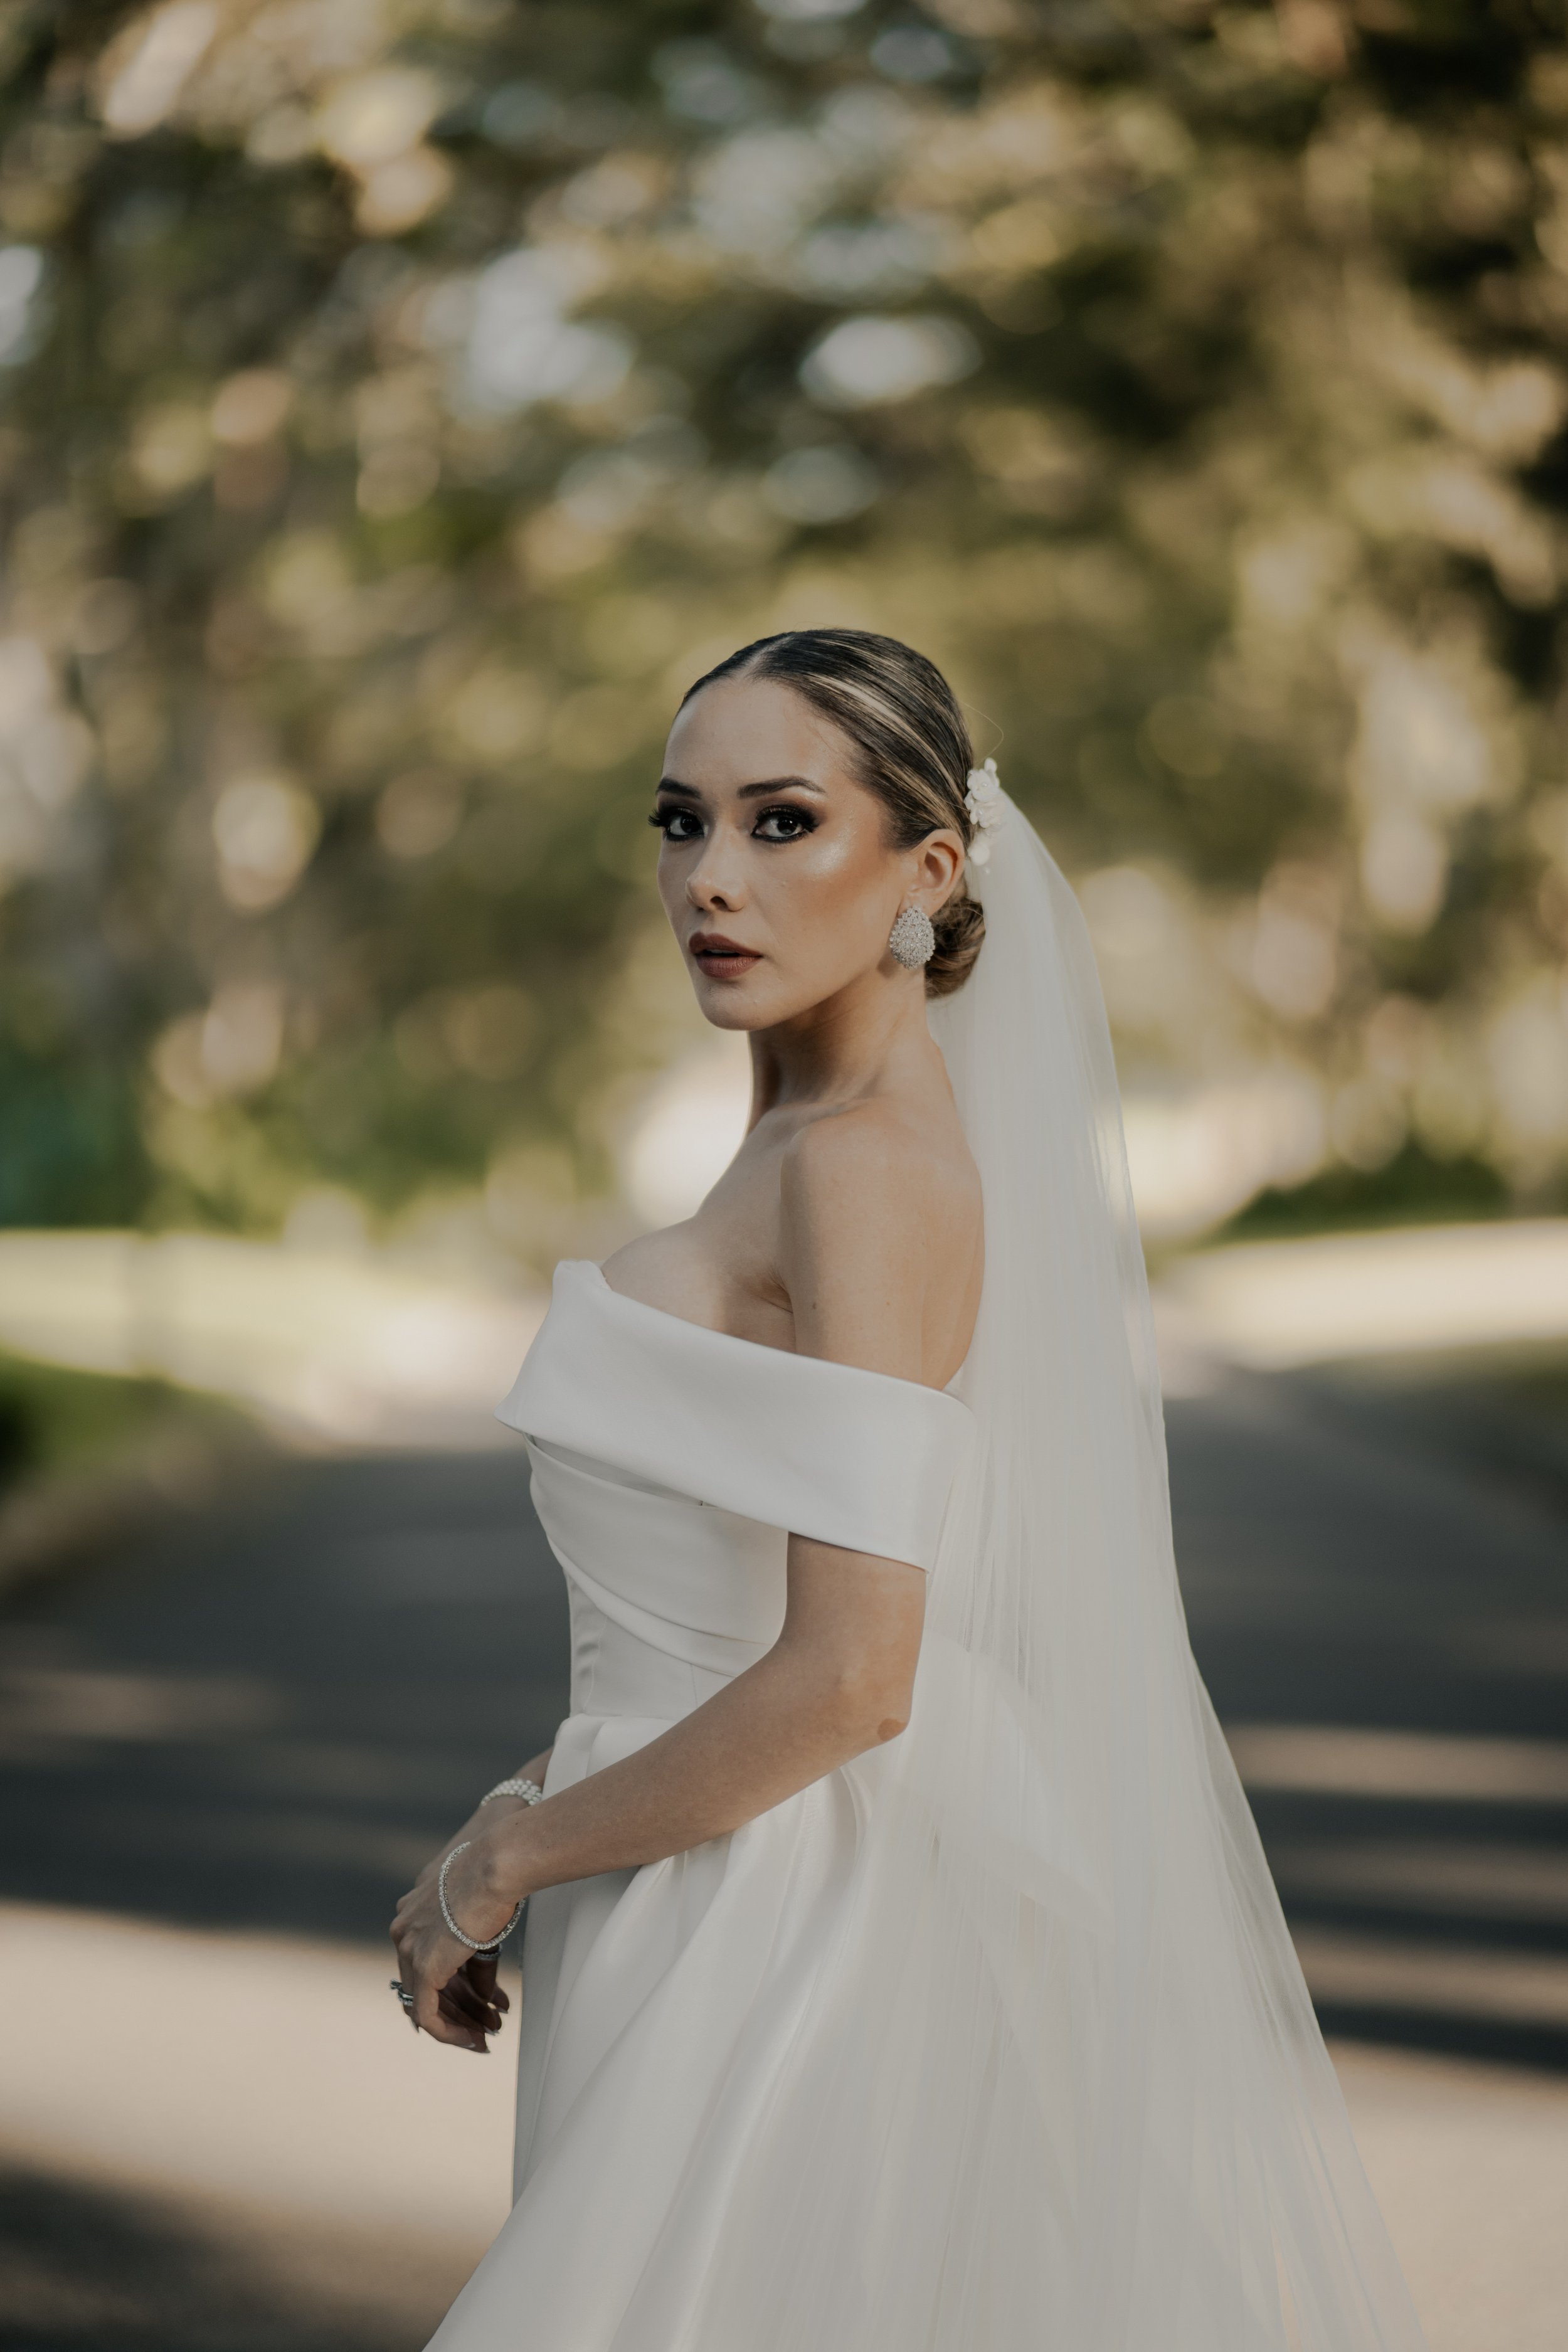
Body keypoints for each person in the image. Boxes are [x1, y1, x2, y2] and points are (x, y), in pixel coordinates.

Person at [391, 629, 1426, 2350]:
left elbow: (860, 1673)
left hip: (792, 1935)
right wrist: (530, 1811)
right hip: (689, 1870)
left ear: (925, 872)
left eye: (781, 823)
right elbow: (715, 1619)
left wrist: (504, 1865)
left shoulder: (863, 1170)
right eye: (678, 822)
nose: (709, 879)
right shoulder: (800, 1140)